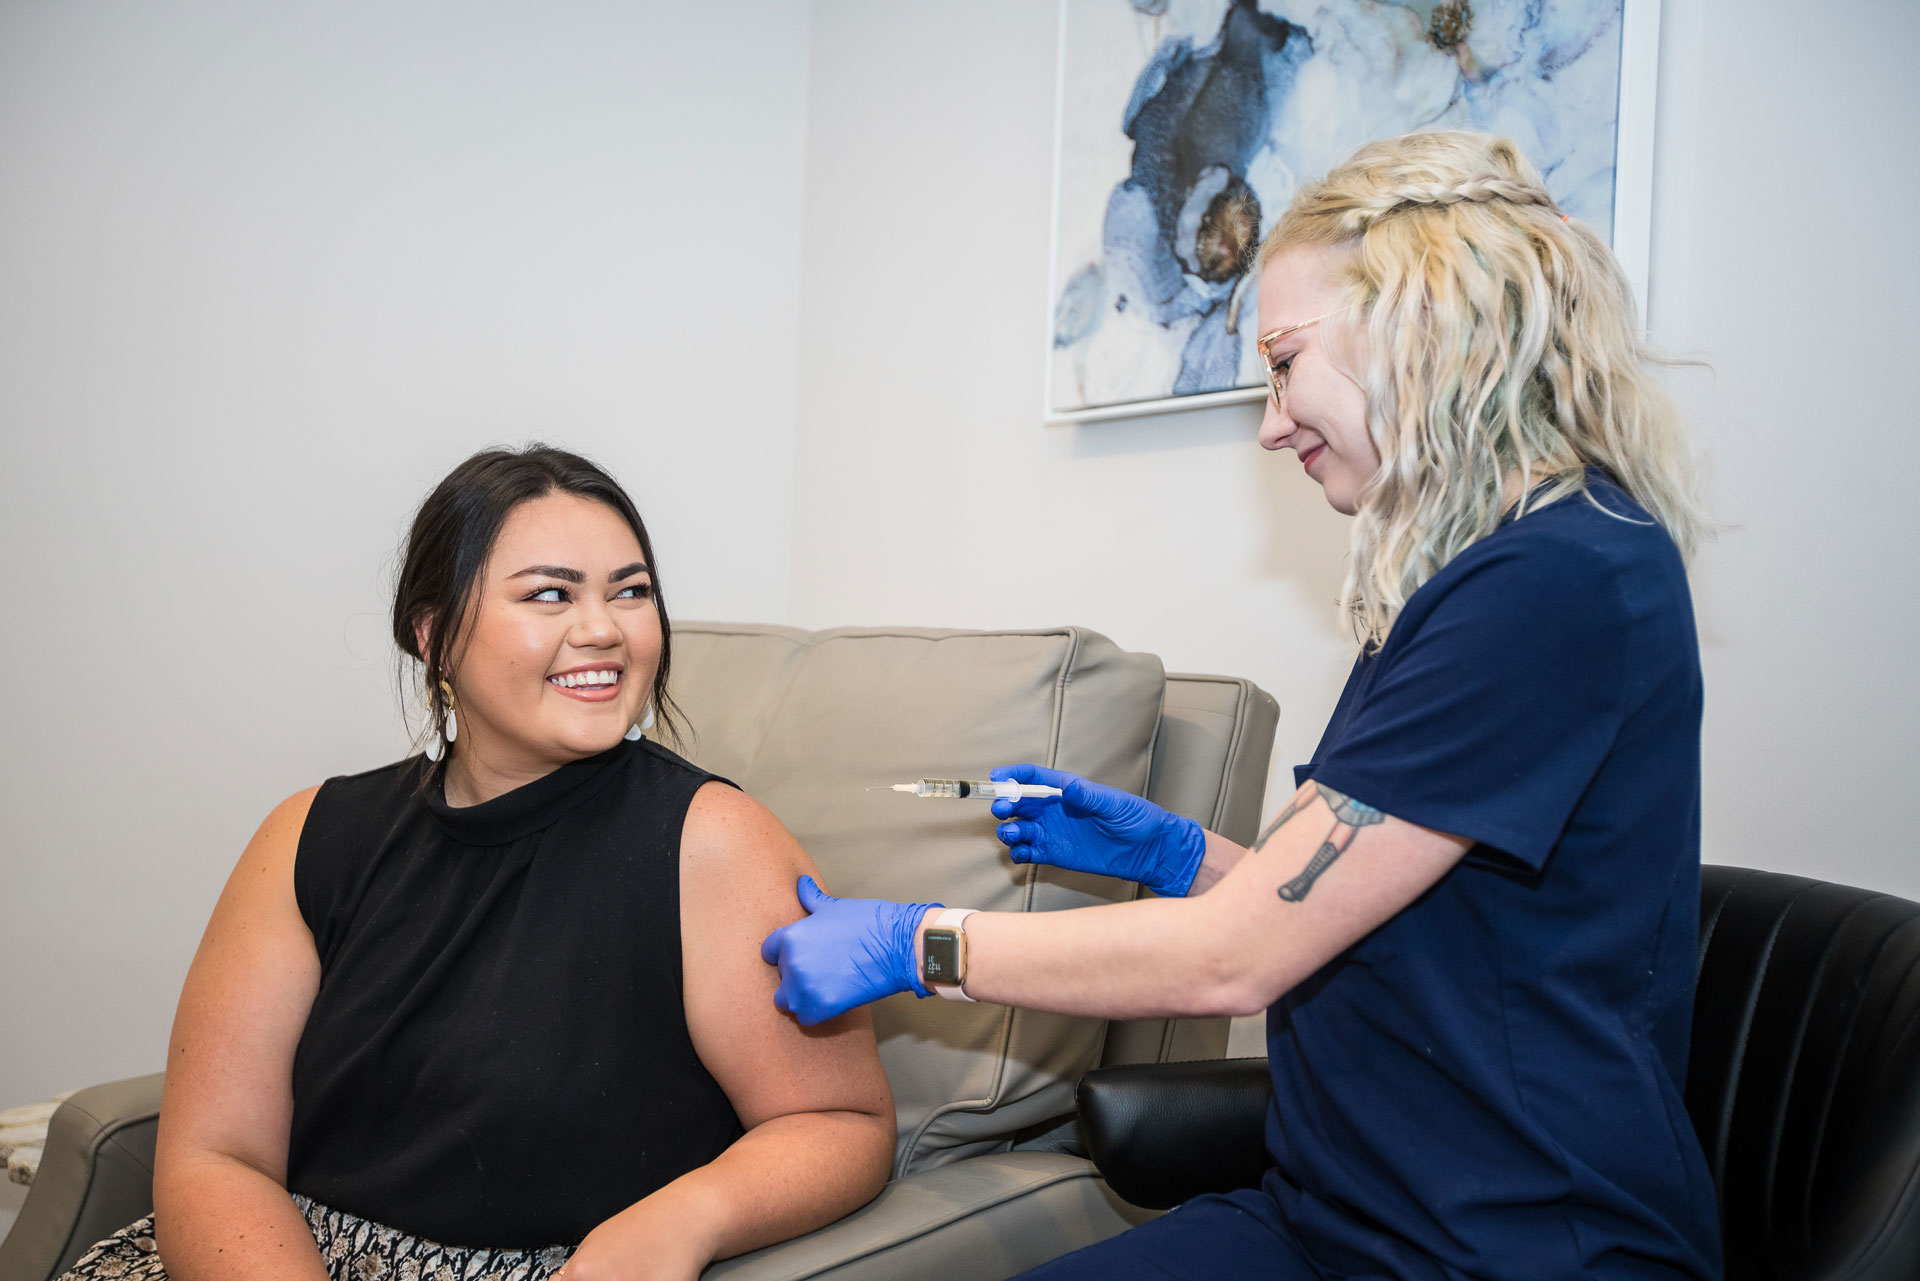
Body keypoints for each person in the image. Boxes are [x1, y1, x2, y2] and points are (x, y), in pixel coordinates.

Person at [759, 131, 1722, 1281]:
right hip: (1343, 1211)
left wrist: (919, 943)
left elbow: (1240, 960)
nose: (1271, 423)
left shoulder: (1558, 578)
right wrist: (1174, 854)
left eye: (1283, 361)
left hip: (1512, 1245)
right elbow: (1339, 905)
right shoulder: (1476, 581)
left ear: (1420, 323)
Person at [63, 446, 894, 1281]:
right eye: (549, 593)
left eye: (630, 591)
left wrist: (685, 1218)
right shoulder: (307, 835)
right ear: (435, 636)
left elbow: (842, 1119)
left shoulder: (714, 843)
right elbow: (217, 1154)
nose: (603, 627)